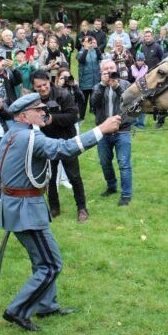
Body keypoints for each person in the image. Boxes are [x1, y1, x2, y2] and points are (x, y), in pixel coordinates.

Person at [0, 93, 121, 331]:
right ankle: (17, 311)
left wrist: (8, 205)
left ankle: (46, 306)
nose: (44, 112)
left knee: (41, 262)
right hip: (26, 212)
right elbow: (64, 149)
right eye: (38, 109)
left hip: (20, 209)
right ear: (23, 115)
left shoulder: (12, 133)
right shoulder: (28, 137)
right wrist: (101, 129)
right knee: (51, 264)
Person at [30, 71, 90, 221]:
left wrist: (52, 119)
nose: (43, 89)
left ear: (48, 81)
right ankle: (54, 208)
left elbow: (73, 116)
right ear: (33, 86)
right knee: (50, 177)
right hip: (47, 142)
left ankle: (82, 208)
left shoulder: (63, 95)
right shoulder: (32, 99)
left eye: (44, 85)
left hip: (66, 141)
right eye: (38, 87)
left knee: (74, 176)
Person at [92, 60, 133, 206]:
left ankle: (126, 194)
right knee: (104, 162)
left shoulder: (125, 84)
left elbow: (129, 102)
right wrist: (103, 86)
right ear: (101, 72)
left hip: (122, 130)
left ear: (116, 69)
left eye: (112, 68)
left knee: (124, 163)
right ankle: (111, 186)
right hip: (103, 130)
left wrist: (116, 87)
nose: (109, 71)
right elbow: (93, 105)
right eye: (106, 69)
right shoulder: (97, 86)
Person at [77, 36, 101, 120]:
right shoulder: (81, 52)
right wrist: (86, 49)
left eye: (90, 41)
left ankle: (97, 117)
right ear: (83, 43)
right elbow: (81, 60)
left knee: (95, 99)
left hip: (96, 79)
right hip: (85, 80)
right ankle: (81, 117)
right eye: (87, 41)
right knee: (83, 100)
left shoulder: (95, 51)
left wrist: (97, 48)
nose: (89, 43)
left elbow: (100, 57)